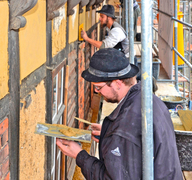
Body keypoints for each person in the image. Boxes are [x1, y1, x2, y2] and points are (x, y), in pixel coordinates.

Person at [56, 48, 182, 179]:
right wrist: (109, 133)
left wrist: (79, 155)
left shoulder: (124, 128)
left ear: (118, 83)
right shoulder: (148, 100)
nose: (97, 91)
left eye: (99, 87)